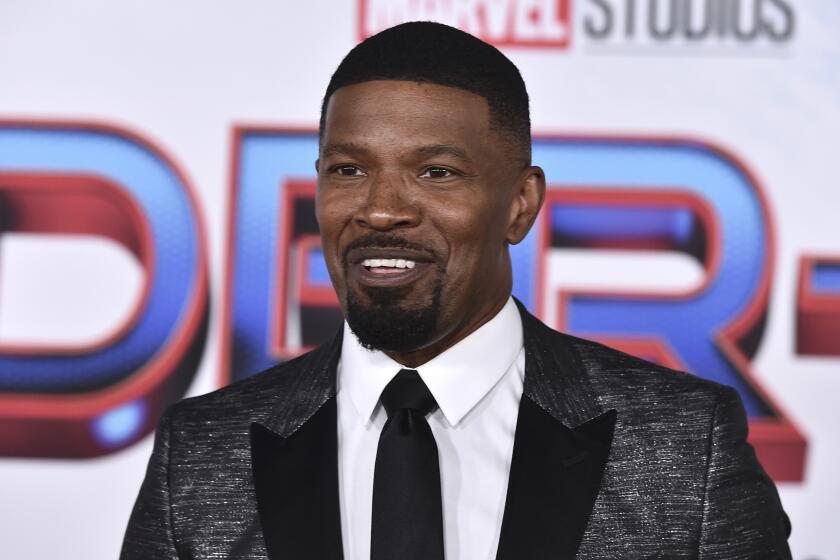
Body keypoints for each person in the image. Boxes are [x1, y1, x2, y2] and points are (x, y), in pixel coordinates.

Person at [121, 21, 791, 560]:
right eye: (348, 168)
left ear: (519, 206)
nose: (380, 209)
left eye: (437, 172)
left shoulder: (683, 445)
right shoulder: (203, 451)